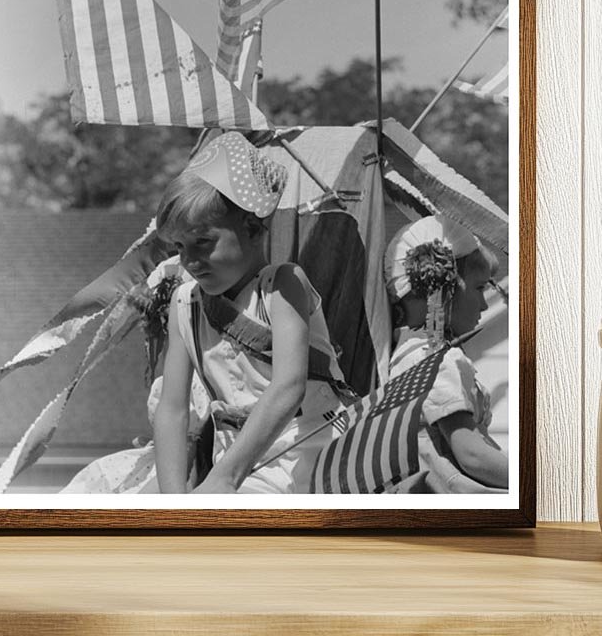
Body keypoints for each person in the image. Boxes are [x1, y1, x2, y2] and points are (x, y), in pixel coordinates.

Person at [153, 131, 351, 494]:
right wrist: (173, 502)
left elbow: (289, 386)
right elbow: (172, 409)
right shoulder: (184, 305)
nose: (189, 260)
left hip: (306, 456)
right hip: (234, 466)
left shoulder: (282, 285)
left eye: (203, 242)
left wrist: (224, 478)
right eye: (180, 246)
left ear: (251, 227)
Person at [382, 215, 509, 492]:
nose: (484, 305)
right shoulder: (435, 360)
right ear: (443, 288)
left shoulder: (405, 355)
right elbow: (472, 454)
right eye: (478, 288)